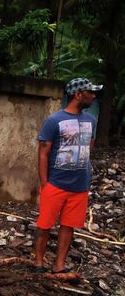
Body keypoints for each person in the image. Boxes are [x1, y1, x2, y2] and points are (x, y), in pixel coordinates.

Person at [34, 77, 102, 273]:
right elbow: (43, 153)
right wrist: (44, 183)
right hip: (55, 184)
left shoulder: (91, 120)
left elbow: (89, 150)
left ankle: (59, 265)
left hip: (80, 187)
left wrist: (87, 178)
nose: (93, 96)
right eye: (90, 92)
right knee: (44, 225)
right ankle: (38, 262)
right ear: (78, 94)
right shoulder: (54, 121)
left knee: (68, 226)